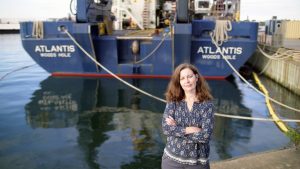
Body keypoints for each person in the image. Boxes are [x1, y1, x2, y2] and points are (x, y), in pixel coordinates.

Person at [161, 63, 215, 169]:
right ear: (179, 82)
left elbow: (205, 136)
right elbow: (166, 129)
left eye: (190, 76)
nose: (187, 81)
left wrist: (177, 129)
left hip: (198, 162)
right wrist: (190, 129)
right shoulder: (173, 101)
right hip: (171, 160)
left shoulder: (207, 104)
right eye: (182, 78)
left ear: (196, 77)